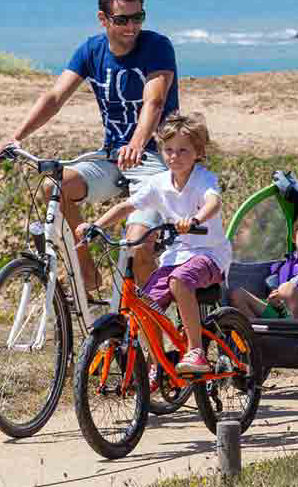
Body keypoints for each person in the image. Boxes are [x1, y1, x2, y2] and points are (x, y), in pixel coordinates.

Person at [0, 0, 179, 293]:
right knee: (54, 185)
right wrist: (15, 136)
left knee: (138, 247)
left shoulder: (157, 46)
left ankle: (160, 329)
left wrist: (138, 142)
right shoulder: (91, 51)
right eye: (122, 20)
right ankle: (86, 268)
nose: (132, 27)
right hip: (112, 156)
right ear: (103, 19)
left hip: (153, 157)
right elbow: (54, 97)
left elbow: (154, 101)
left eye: (138, 18)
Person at [78, 113, 231, 374]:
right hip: (176, 256)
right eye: (168, 150)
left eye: (183, 150)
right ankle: (156, 364)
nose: (175, 156)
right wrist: (97, 226)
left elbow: (213, 202)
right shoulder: (158, 183)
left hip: (209, 254)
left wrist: (195, 219)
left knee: (179, 281)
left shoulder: (203, 178)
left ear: (198, 152)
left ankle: (196, 351)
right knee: (145, 303)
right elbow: (127, 205)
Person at [229, 210, 298, 320]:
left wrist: (297, 295)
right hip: (282, 312)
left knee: (287, 289)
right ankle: (255, 335)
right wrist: (274, 299)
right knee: (238, 295)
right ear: (294, 237)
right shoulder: (282, 266)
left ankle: (297, 334)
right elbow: (277, 294)